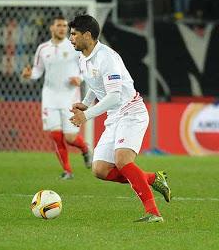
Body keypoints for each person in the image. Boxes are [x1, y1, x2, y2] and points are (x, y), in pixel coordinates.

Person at [68, 14, 171, 222]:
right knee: (100, 170)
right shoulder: (83, 57)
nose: (70, 39)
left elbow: (114, 97)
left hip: (131, 111)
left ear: (87, 35)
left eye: (74, 34)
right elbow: (95, 85)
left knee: (122, 161)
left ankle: (153, 213)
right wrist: (86, 103)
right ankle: (153, 178)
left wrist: (86, 115)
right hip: (114, 116)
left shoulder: (107, 58)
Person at [22, 16, 90, 180]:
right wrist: (30, 75)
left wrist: (79, 79)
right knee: (56, 136)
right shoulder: (43, 48)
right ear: (52, 28)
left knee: (70, 138)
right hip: (50, 97)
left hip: (70, 98)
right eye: (59, 25)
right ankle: (68, 171)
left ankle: (86, 150)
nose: (62, 29)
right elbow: (38, 71)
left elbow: (86, 67)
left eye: (65, 26)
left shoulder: (74, 46)